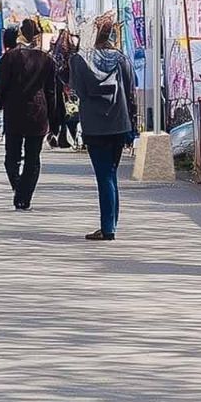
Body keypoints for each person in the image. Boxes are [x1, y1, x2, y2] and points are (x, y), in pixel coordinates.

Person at [69, 15, 140, 241]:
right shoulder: (122, 60)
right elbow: (130, 90)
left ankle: (108, 227)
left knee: (104, 175)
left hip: (94, 125)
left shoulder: (80, 61)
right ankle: (111, 224)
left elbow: (78, 91)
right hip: (119, 124)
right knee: (111, 174)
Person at [0, 17, 60, 210]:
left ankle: (19, 188)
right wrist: (54, 119)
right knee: (33, 157)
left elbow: (2, 85)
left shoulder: (10, 57)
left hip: (14, 111)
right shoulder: (46, 59)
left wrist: (0, 102)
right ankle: (24, 194)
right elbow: (50, 91)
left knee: (11, 157)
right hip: (38, 112)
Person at [49, 26, 80, 149]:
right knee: (68, 112)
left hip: (57, 85)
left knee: (61, 112)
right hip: (65, 85)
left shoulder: (57, 51)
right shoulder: (68, 50)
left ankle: (56, 136)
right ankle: (62, 137)